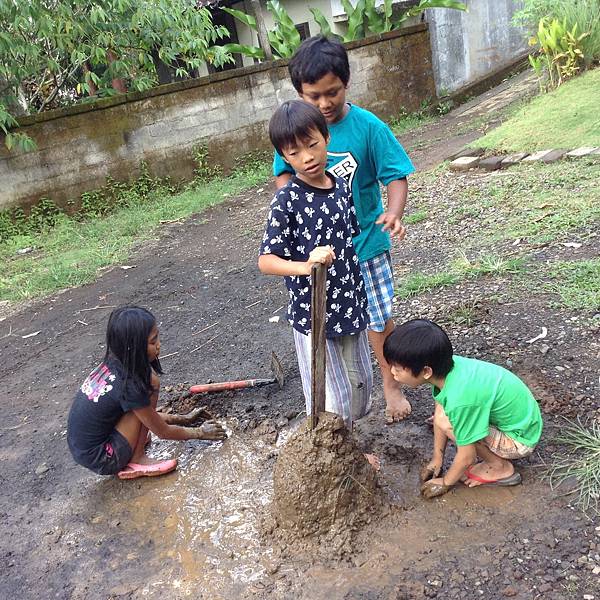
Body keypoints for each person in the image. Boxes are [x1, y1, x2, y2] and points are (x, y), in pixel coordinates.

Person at [273, 35, 415, 424]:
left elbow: (396, 175)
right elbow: (284, 177)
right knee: (335, 324)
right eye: (312, 96)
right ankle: (339, 401)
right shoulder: (298, 131)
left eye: (331, 92)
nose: (323, 104)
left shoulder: (368, 127)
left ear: (346, 83)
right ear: (300, 94)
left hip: (366, 246)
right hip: (322, 256)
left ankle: (390, 384)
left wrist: (394, 212)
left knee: (377, 317)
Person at [259, 99, 373, 438]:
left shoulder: (339, 187)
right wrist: (306, 266)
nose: (307, 157)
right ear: (284, 156)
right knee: (330, 399)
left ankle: (346, 436)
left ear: (326, 138)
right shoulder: (287, 200)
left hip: (351, 306)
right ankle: (338, 453)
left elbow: (350, 237)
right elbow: (266, 261)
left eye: (312, 145)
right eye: (294, 153)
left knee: (360, 389)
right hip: (314, 315)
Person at [383, 319, 543, 498]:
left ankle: (499, 467)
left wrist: (445, 482)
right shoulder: (448, 368)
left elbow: (467, 457)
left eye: (398, 369)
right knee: (443, 415)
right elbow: (440, 410)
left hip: (520, 440)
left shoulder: (461, 398)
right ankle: (489, 455)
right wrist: (437, 458)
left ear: (426, 371)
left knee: (448, 422)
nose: (392, 373)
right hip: (522, 421)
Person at [67, 306, 227, 480]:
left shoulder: (114, 365)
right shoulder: (129, 386)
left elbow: (147, 417)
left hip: (89, 448)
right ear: (132, 348)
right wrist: (200, 433)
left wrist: (185, 418)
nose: (159, 345)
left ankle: (133, 447)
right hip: (104, 457)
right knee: (146, 389)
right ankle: (137, 459)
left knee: (147, 388)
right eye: (152, 342)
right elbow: (162, 431)